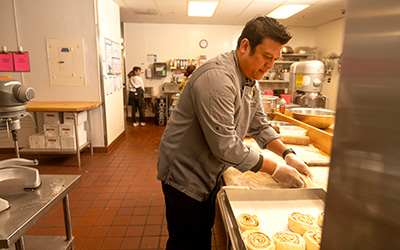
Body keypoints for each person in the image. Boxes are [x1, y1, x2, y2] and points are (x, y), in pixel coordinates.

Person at [157, 16, 314, 250]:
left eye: (275, 59)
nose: (270, 65)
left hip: (208, 171)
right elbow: (225, 146)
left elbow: (259, 124)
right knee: (187, 241)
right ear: (244, 46)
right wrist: (276, 169)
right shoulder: (217, 78)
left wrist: (288, 154)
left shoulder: (250, 79)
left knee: (201, 235)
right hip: (185, 174)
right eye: (266, 57)